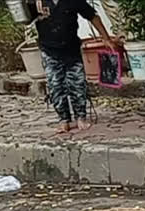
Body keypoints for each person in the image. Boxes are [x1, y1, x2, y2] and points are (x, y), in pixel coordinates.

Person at [32, 0, 117, 133]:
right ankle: (64, 120)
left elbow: (92, 16)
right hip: (49, 51)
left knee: (77, 84)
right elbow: (22, 16)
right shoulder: (36, 2)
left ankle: (81, 118)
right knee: (55, 86)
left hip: (72, 51)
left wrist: (106, 38)